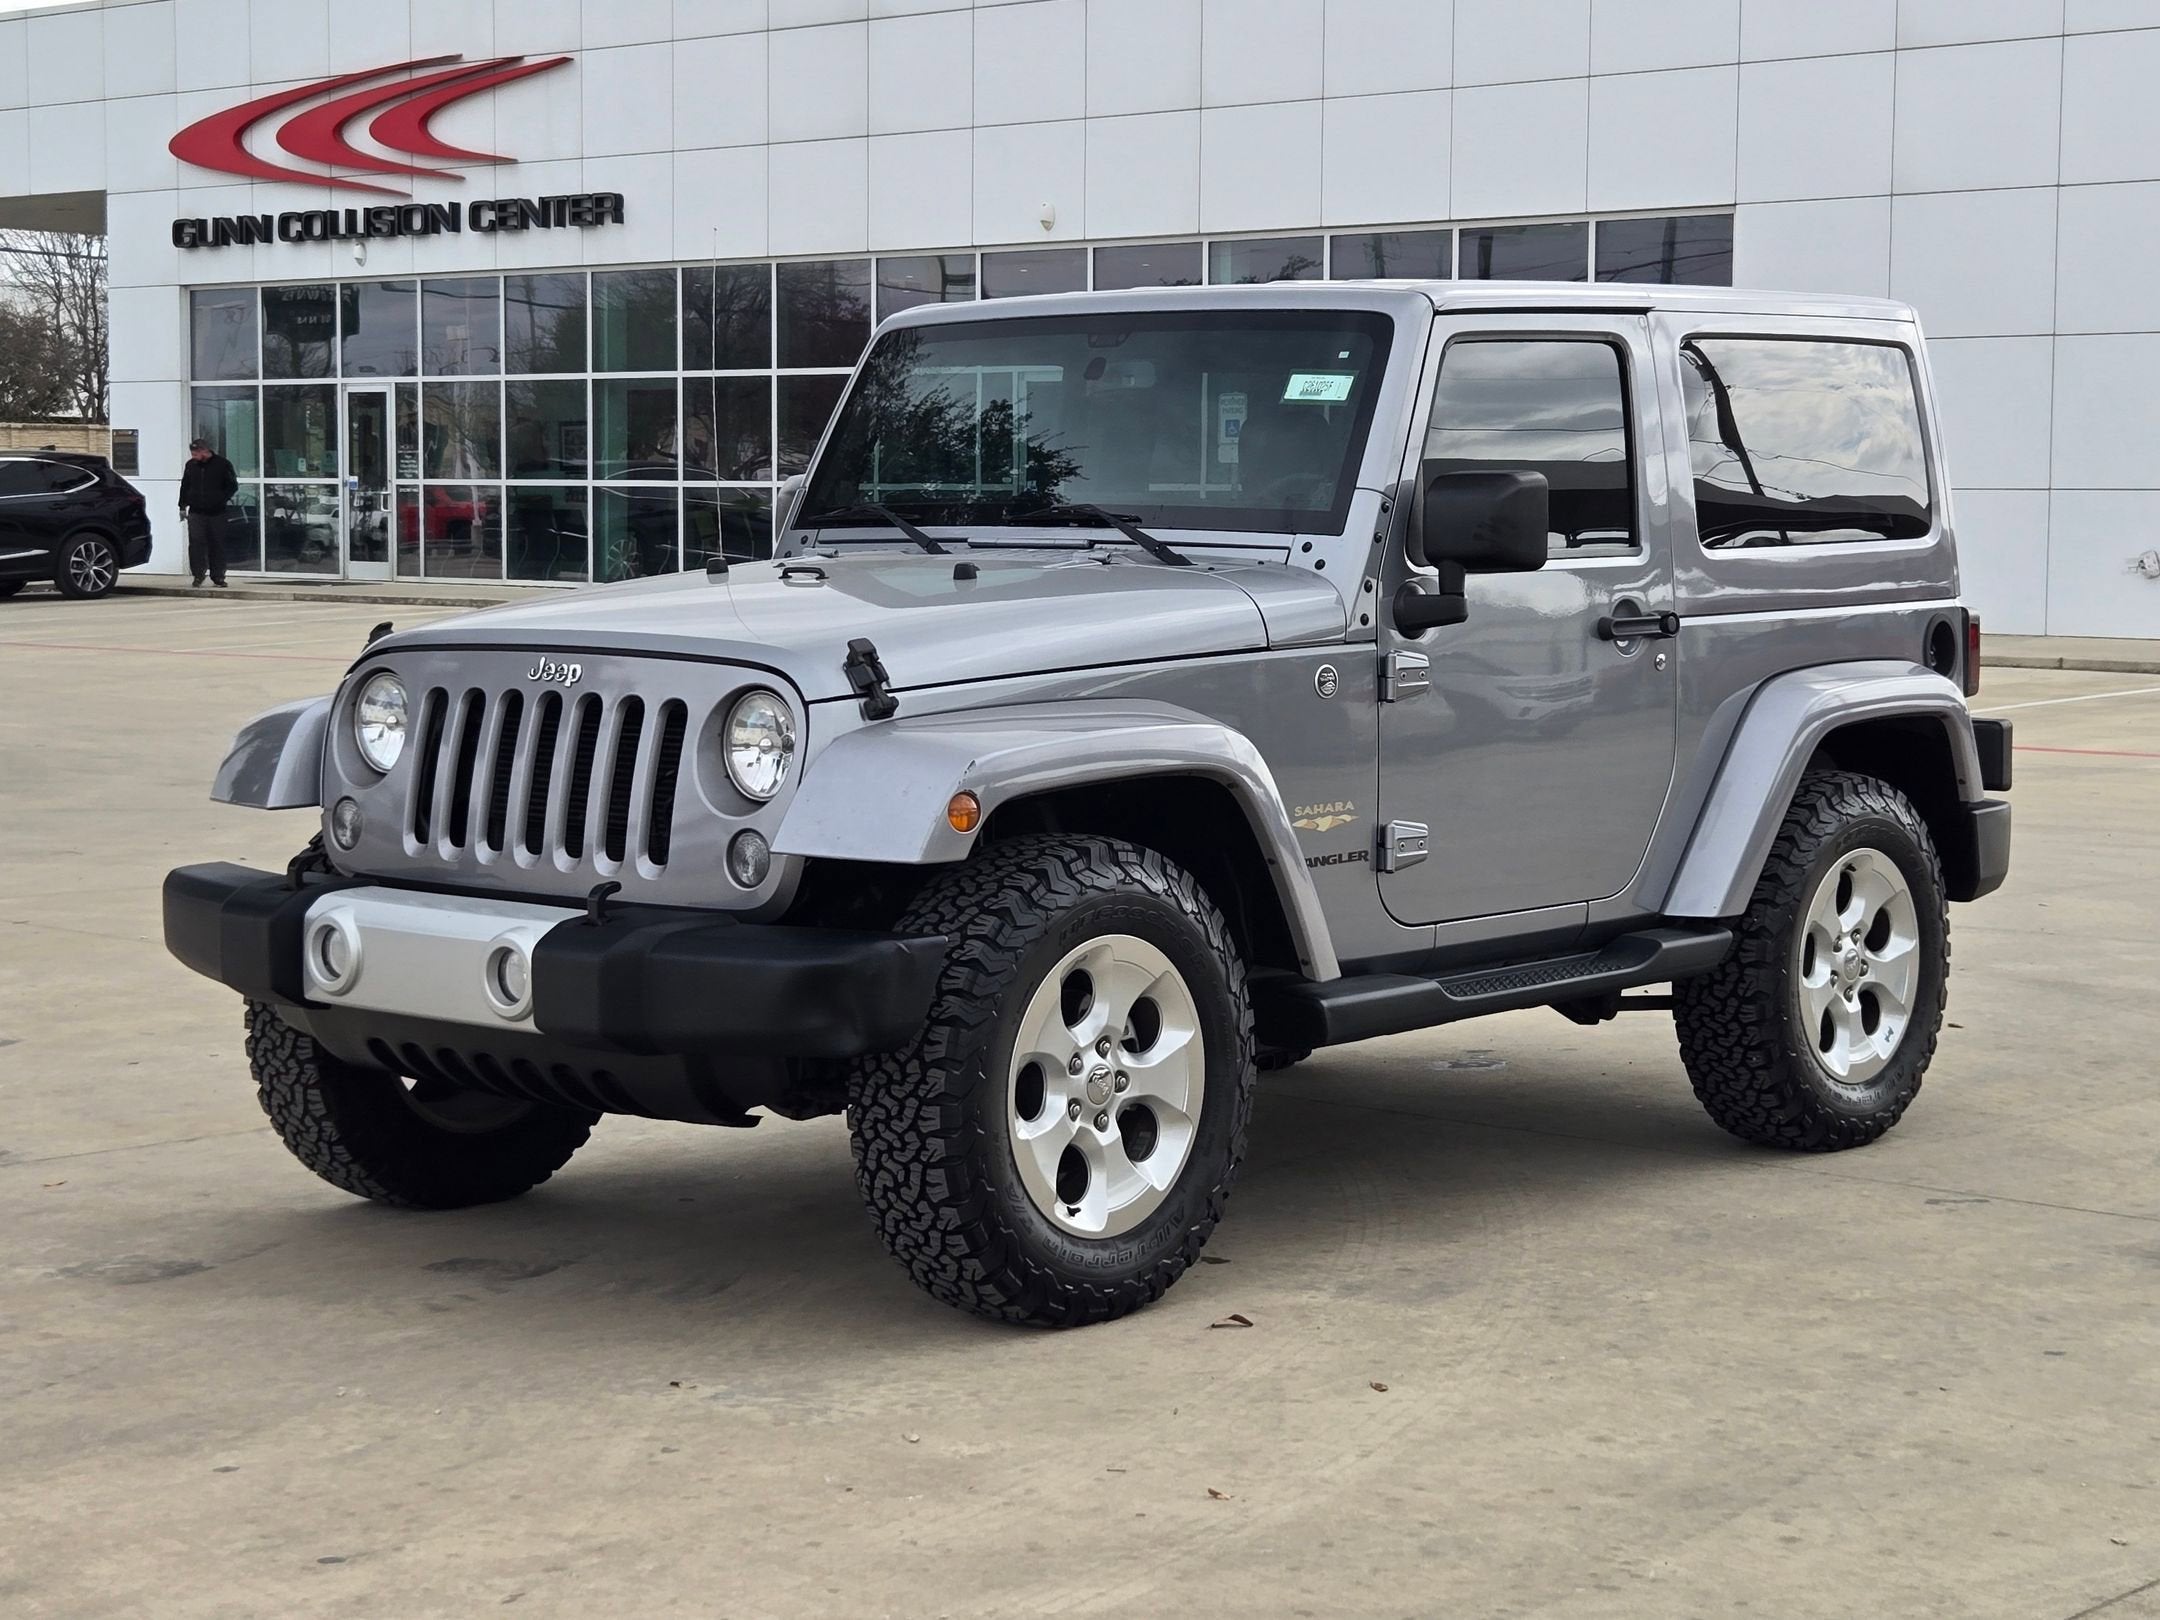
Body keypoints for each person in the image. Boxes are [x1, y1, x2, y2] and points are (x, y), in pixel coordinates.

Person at [179, 437, 238, 587]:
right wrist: (182, 506)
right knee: (196, 544)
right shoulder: (191, 466)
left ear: (204, 451)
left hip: (217, 512)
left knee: (217, 544)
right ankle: (198, 575)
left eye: (196, 454)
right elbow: (185, 486)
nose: (193, 457)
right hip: (196, 512)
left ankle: (218, 576)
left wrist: (221, 499)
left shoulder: (222, 464)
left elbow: (232, 486)